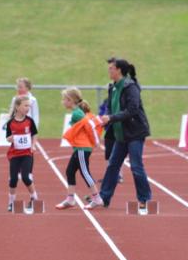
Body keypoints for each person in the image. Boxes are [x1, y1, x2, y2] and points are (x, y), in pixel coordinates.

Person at [98, 57, 152, 214]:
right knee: (113, 165)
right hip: (120, 133)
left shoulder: (130, 86)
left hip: (135, 132)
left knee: (136, 166)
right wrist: (106, 118)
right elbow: (111, 107)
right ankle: (104, 197)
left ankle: (144, 199)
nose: (108, 71)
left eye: (111, 68)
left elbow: (132, 109)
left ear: (119, 70)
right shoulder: (113, 87)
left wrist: (111, 117)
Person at [55, 88, 104, 210]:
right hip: (79, 147)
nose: (62, 102)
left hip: (82, 148)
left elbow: (90, 126)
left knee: (84, 172)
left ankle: (97, 198)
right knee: (70, 171)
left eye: (64, 99)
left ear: (70, 100)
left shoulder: (77, 113)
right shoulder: (76, 112)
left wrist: (96, 141)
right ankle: (70, 199)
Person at [5, 95, 39, 212]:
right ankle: (11, 202)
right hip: (14, 154)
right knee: (13, 179)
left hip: (27, 154)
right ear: (17, 107)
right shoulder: (10, 122)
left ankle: (34, 198)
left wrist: (33, 145)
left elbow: (34, 134)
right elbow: (7, 138)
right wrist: (10, 139)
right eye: (25, 106)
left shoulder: (29, 121)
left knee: (25, 177)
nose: (28, 108)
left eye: (29, 106)